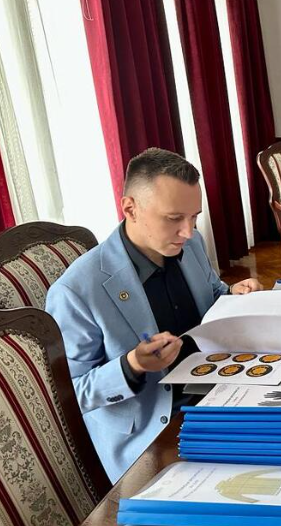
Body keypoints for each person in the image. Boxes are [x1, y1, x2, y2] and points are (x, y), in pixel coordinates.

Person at [46, 148, 263, 482]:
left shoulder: (191, 243)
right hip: (154, 433)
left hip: (219, 390)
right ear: (130, 209)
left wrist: (234, 293)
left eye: (194, 217)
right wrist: (131, 365)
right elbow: (69, 396)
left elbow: (213, 295)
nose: (188, 231)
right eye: (174, 218)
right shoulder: (76, 290)